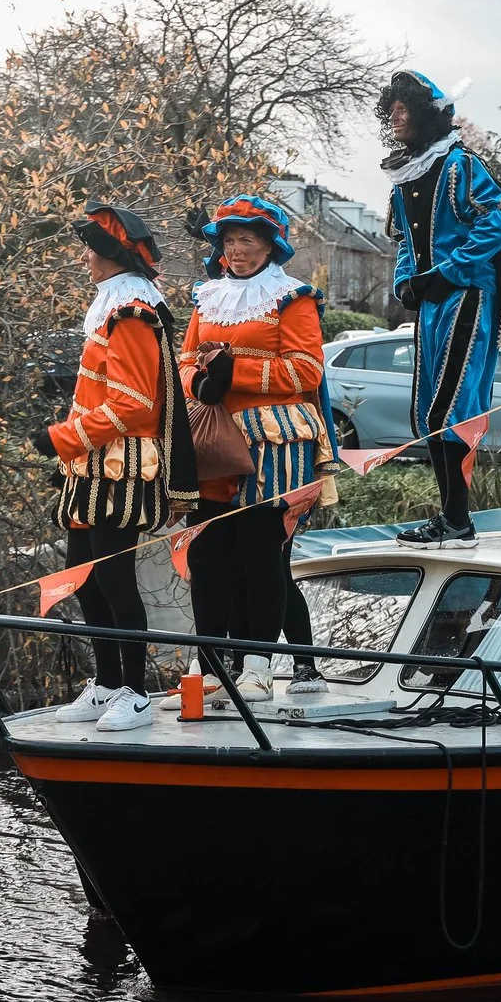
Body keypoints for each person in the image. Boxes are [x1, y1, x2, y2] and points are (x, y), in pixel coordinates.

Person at [33, 204, 198, 732]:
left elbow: (134, 406)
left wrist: (61, 437)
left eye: (91, 250)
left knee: (114, 580)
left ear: (110, 258)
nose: (85, 258)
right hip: (93, 466)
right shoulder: (115, 306)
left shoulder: (131, 313)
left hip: (124, 468)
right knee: (86, 580)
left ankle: (135, 690)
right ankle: (106, 684)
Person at [179, 195, 326, 710]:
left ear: (269, 246)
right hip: (212, 438)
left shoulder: (293, 297)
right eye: (229, 240)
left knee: (262, 555)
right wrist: (201, 382)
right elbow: (183, 361)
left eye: (247, 240)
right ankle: (211, 661)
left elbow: (307, 371)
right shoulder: (205, 296)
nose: (237, 249)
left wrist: (235, 373)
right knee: (208, 553)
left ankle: (260, 665)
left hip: (273, 438)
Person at [380, 70, 501, 547]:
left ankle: (458, 522)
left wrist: (448, 272)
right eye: (393, 110)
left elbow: (495, 227)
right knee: (428, 409)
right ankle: (452, 519)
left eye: (404, 109)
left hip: (466, 295)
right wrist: (407, 282)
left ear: (424, 115)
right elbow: (405, 242)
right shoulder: (404, 176)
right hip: (429, 302)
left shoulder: (460, 164)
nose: (396, 117)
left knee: (452, 405)